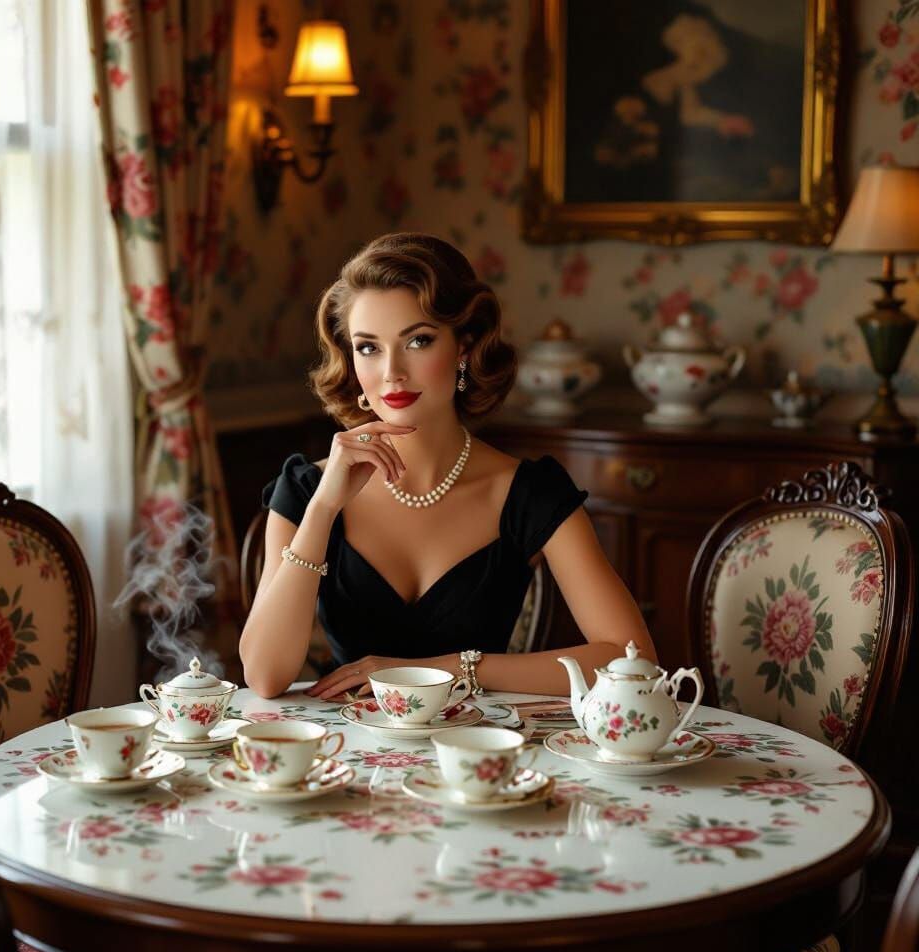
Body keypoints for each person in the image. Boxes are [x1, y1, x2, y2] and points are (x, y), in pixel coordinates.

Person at [239, 233, 655, 709]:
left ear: (464, 346)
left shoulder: (527, 492)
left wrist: (452, 667)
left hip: (483, 760)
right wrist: (323, 508)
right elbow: (266, 676)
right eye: (369, 348)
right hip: (348, 760)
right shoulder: (307, 490)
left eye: (418, 340)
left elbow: (634, 660)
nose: (392, 371)